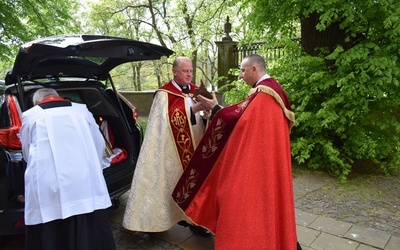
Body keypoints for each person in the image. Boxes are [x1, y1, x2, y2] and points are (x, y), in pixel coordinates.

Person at [172, 54, 302, 249]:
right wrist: (216, 109)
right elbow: (244, 118)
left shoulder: (265, 94)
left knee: (234, 199)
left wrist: (215, 108)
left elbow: (241, 122)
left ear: (254, 70)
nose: (241, 75)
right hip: (266, 161)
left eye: (243, 70)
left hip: (255, 165)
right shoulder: (270, 92)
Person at [20, 88, 116, 250]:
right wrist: (96, 166)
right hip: (83, 180)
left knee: (52, 226)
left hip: (49, 185)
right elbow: (98, 144)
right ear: (57, 96)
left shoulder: (31, 116)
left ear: (37, 102)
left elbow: (27, 152)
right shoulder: (81, 110)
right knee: (88, 223)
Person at [122, 56, 209, 233]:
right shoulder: (164, 94)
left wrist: (207, 112)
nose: (189, 75)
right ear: (175, 72)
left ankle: (194, 221)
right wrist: (194, 110)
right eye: (185, 71)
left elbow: (204, 118)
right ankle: (164, 220)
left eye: (191, 71)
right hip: (172, 152)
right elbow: (163, 122)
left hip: (196, 146)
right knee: (171, 184)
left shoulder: (195, 90)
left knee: (196, 183)